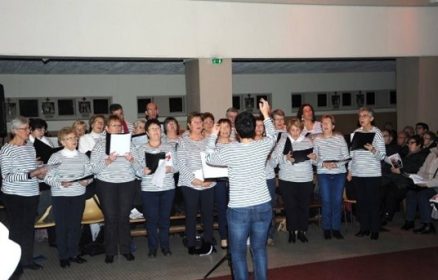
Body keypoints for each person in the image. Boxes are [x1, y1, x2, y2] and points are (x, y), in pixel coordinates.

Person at [206, 99, 275, 280]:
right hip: (262, 205)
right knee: (259, 250)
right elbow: (274, 136)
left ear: (236, 130)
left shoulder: (229, 149)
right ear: (254, 129)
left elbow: (209, 158)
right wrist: (266, 114)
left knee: (237, 254)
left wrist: (213, 135)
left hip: (239, 208)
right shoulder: (263, 145)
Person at [90, 115, 139, 263]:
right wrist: (108, 160)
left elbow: (139, 168)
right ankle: (110, 251)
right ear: (107, 128)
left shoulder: (129, 144)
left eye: (119, 126)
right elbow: (93, 168)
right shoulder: (100, 145)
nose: (117, 128)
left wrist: (132, 160)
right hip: (106, 183)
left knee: (124, 217)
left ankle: (125, 249)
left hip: (127, 182)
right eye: (113, 125)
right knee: (110, 218)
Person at [0, 117, 47, 272]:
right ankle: (15, 263)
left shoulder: (30, 147)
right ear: (14, 131)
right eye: (25, 129)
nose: (28, 131)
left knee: (28, 228)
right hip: (14, 195)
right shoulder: (6, 149)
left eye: (28, 128)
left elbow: (32, 169)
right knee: (17, 229)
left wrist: (40, 173)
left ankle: (27, 260)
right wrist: (32, 173)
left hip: (31, 193)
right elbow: (7, 176)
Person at [44, 127, 93, 268]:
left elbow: (90, 175)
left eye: (75, 138)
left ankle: (74, 253)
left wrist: (87, 181)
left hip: (78, 195)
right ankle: (63, 256)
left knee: (75, 226)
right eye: (70, 138)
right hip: (61, 196)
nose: (74, 141)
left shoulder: (83, 156)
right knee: (62, 227)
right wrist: (60, 183)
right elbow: (47, 177)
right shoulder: (56, 157)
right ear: (62, 142)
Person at [134, 119, 177, 257]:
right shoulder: (141, 149)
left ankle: (165, 246)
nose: (156, 132)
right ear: (147, 132)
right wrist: (142, 171)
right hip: (149, 189)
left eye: (158, 129)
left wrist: (171, 168)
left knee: (165, 219)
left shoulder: (168, 147)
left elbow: (177, 167)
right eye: (152, 129)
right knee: (151, 220)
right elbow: (135, 169)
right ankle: (153, 248)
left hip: (167, 188)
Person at [177, 112, 216, 256]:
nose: (199, 124)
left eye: (200, 122)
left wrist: (210, 179)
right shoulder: (183, 141)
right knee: (191, 214)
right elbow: (181, 164)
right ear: (189, 125)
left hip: (208, 183)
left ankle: (208, 243)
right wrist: (194, 179)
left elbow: (214, 160)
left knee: (208, 214)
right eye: (195, 122)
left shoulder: (209, 140)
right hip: (190, 183)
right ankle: (191, 243)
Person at [272, 117, 316, 243]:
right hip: (287, 179)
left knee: (303, 206)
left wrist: (314, 158)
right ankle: (291, 231)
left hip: (305, 179)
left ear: (301, 130)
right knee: (290, 207)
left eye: (297, 130)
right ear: (288, 130)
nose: (295, 133)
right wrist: (285, 158)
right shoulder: (283, 141)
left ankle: (302, 231)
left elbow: (317, 161)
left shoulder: (308, 141)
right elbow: (274, 161)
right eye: (292, 130)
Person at [347, 107, 385, 240]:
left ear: (371, 118)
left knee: (373, 202)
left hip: (372, 174)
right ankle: (364, 228)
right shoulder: (356, 132)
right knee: (361, 202)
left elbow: (382, 156)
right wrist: (350, 170)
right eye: (360, 116)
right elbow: (352, 154)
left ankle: (375, 229)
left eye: (364, 115)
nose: (361, 118)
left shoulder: (377, 133)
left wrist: (373, 149)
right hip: (358, 173)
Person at [313, 115, 349, 240]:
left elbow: (346, 156)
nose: (325, 125)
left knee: (337, 201)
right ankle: (327, 228)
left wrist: (335, 164)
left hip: (339, 173)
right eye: (323, 123)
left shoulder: (339, 138)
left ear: (333, 126)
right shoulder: (317, 139)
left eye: (328, 123)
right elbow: (314, 159)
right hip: (323, 173)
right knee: (327, 201)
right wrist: (323, 163)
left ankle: (336, 228)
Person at [403, 147, 438, 234]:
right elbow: (422, 169)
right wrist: (417, 178)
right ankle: (409, 221)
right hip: (426, 182)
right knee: (411, 193)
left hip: (434, 186)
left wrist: (426, 184)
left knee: (423, 195)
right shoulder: (431, 154)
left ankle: (428, 224)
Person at [254, 116, 277, 246]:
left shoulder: (269, 142)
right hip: (255, 180)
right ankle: (257, 235)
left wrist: (269, 157)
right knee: (256, 209)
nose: (259, 128)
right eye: (256, 125)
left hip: (268, 178)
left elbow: (274, 164)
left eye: (261, 126)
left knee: (269, 208)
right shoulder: (248, 142)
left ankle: (269, 234)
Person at [214, 118, 233, 249]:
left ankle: (234, 235)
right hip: (219, 181)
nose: (225, 130)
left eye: (227, 127)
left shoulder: (235, 144)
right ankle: (224, 236)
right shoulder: (213, 145)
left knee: (233, 209)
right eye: (222, 127)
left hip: (233, 181)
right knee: (222, 209)